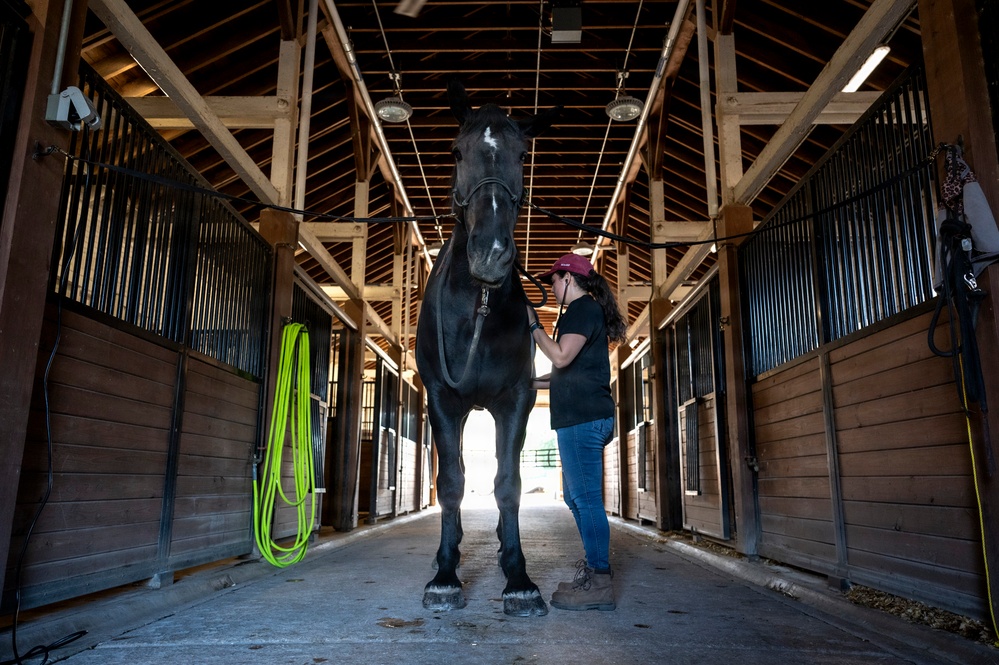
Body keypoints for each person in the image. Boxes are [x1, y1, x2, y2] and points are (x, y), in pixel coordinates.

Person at [527, 253, 627, 611]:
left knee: (586, 499)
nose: (551, 287)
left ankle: (600, 581)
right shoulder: (586, 311)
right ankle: (594, 571)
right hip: (579, 416)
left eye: (553, 280)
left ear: (568, 278)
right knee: (574, 498)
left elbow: (561, 358)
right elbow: (564, 373)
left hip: (582, 419)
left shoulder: (582, 309)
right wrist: (525, 382)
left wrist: (533, 327)